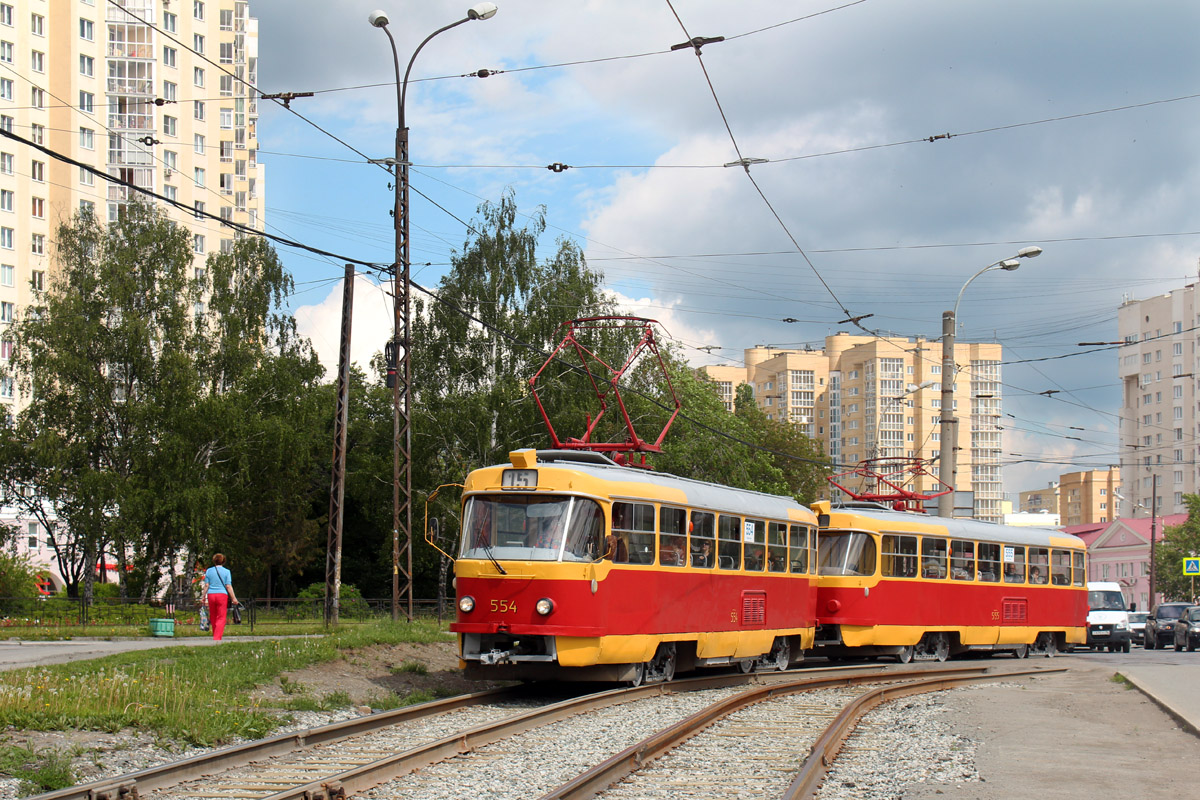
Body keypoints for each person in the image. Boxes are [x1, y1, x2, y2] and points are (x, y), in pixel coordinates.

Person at [203, 553, 239, 642]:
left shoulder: (209, 571)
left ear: (214, 561)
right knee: (221, 617)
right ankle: (217, 637)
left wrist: (203, 596)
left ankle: (215, 634)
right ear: (223, 561)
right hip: (222, 595)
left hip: (211, 595)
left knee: (213, 616)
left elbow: (206, 585)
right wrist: (234, 598)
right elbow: (228, 586)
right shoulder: (227, 572)